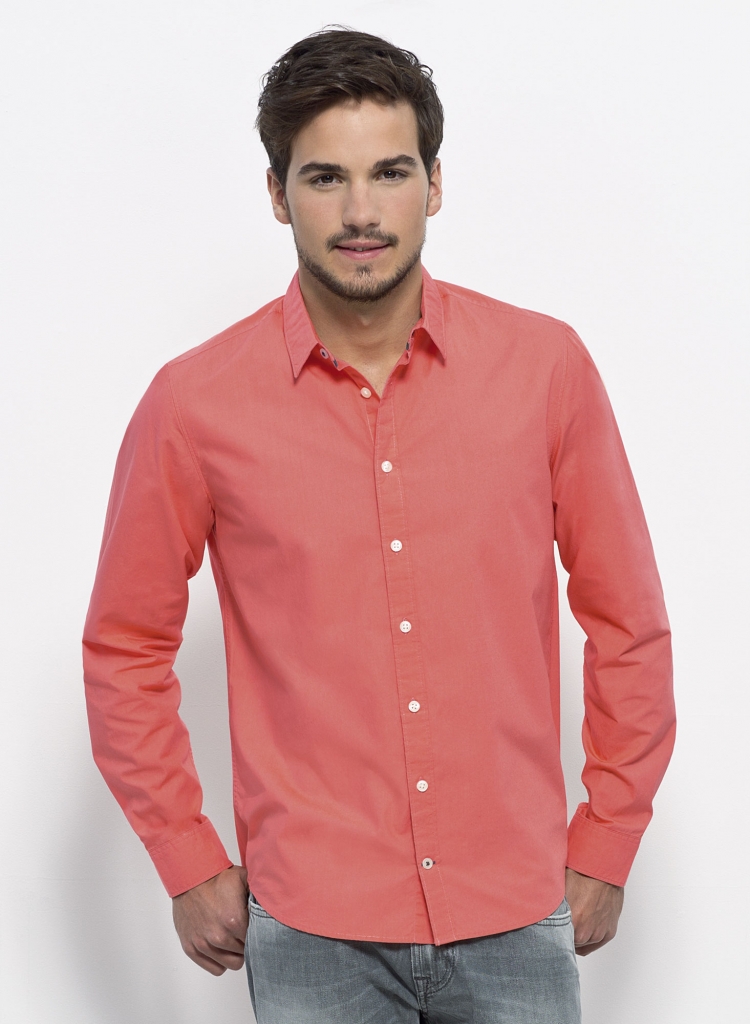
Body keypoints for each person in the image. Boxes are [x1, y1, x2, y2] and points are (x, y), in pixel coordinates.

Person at [82, 27, 676, 1024]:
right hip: (312, 926)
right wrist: (185, 856)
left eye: (390, 172)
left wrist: (609, 838)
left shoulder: (545, 370)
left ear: (434, 184)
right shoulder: (195, 404)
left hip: (515, 906)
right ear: (278, 195)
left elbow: (629, 623)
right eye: (325, 178)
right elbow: (124, 646)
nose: (361, 212)